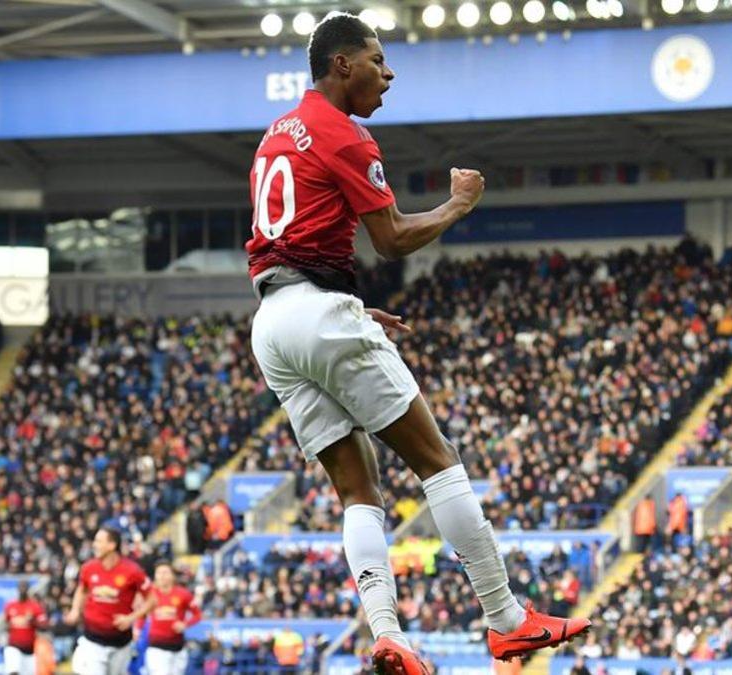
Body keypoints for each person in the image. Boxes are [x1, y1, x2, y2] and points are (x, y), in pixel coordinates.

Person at [244, 12, 589, 675]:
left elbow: (285, 242)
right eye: (377, 58)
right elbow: (394, 236)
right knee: (437, 459)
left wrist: (333, 303)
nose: (389, 71)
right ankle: (507, 619)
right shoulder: (345, 135)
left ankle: (386, 635)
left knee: (358, 490)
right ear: (341, 65)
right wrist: (460, 204)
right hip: (316, 313)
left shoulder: (275, 134)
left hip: (273, 319)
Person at [64, 527, 154, 675]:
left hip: (121, 643)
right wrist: (75, 609)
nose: (94, 544)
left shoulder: (133, 571)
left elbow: (152, 600)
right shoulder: (88, 568)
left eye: (99, 541)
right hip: (93, 641)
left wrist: (131, 618)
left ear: (112, 545)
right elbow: (82, 589)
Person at [144, 563, 202, 675]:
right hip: (157, 648)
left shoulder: (183, 594)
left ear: (173, 576)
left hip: (178, 649)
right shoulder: (149, 594)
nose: (162, 576)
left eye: (165, 573)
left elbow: (198, 615)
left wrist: (185, 624)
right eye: (159, 573)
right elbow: (142, 614)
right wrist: (137, 629)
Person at [3, 581, 48, 675]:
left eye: (24, 587)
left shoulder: (35, 606)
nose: (22, 590)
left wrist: (32, 621)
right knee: (13, 671)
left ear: (28, 589)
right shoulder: (10, 606)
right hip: (13, 646)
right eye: (21, 587)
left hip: (29, 649)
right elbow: (6, 624)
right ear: (17, 589)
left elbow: (44, 625)